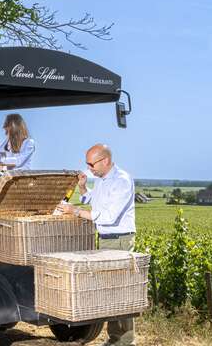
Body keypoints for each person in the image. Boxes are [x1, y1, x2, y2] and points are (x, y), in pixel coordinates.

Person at [57, 144, 136, 346]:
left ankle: (125, 341)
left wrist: (76, 211)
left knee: (119, 290)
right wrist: (83, 188)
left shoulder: (122, 181)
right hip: (107, 239)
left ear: (105, 161)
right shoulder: (102, 180)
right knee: (109, 291)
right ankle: (115, 338)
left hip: (120, 239)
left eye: (91, 164)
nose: (89, 168)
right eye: (87, 164)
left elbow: (109, 216)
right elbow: (95, 201)